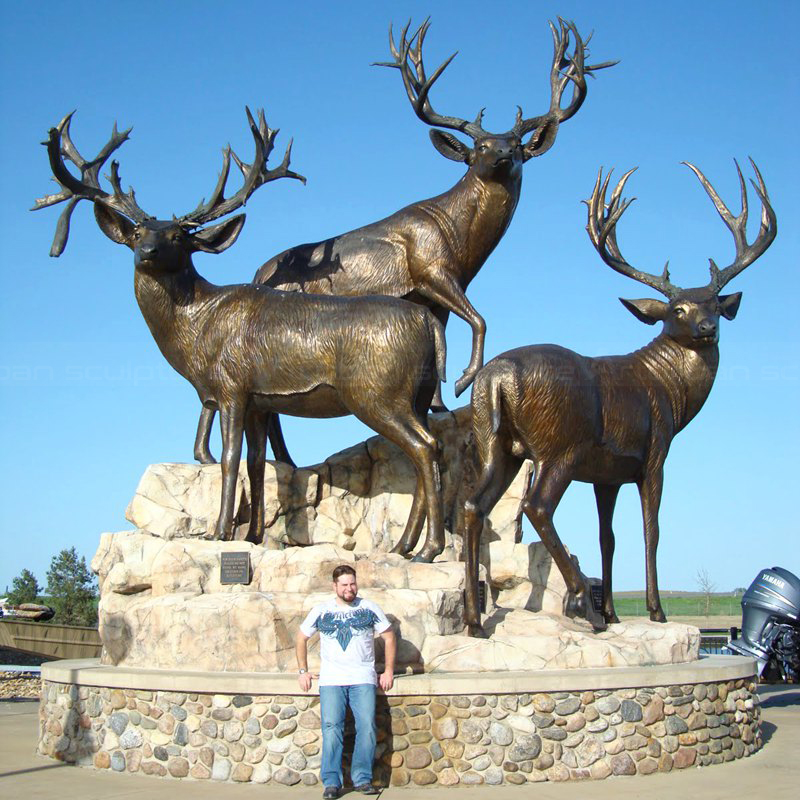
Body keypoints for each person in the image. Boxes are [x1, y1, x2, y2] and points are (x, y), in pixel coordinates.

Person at [296, 564, 396, 798]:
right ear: (335, 586)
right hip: (332, 680)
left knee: (367, 727)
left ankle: (362, 779)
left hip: (362, 678)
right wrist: (303, 671)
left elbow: (389, 637)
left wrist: (388, 670)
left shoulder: (368, 608)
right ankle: (332, 782)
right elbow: (301, 638)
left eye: (352, 583)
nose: (349, 588)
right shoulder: (322, 610)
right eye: (344, 585)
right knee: (332, 729)